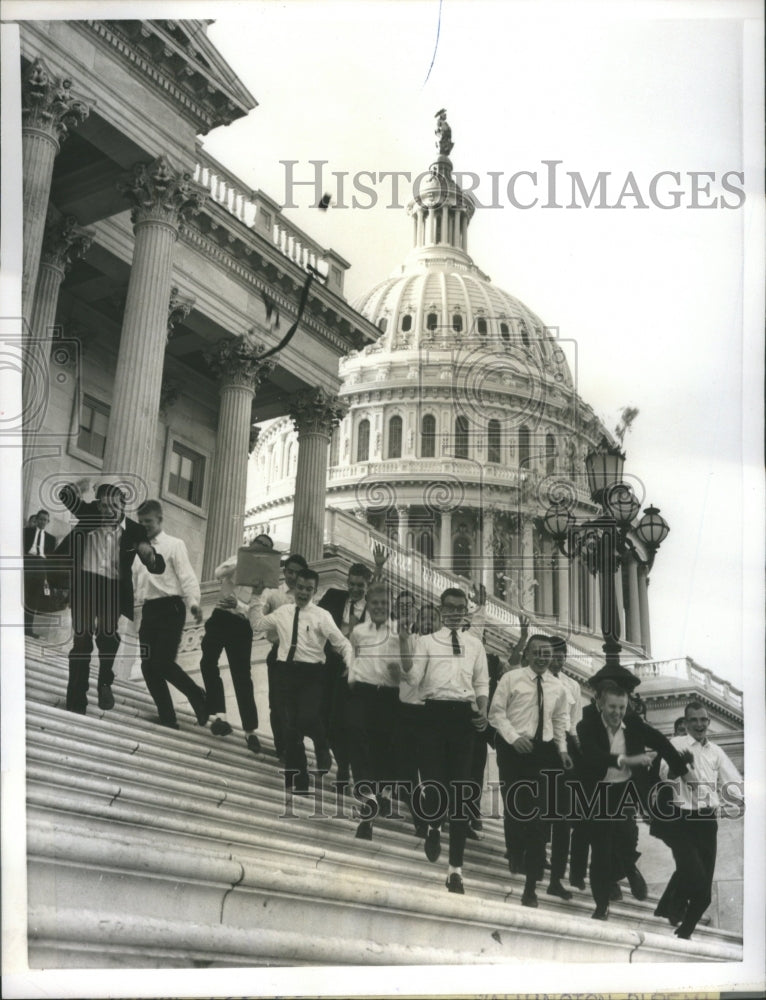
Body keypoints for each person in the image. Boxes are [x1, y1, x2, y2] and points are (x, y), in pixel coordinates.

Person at [576, 677, 691, 921]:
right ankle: (601, 906)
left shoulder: (634, 724)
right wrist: (626, 760)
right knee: (601, 849)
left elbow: (661, 741)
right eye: (612, 707)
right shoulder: (586, 726)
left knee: (628, 837)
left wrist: (683, 770)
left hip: (625, 789)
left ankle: (627, 865)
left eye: (621, 707)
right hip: (597, 792)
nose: (617, 713)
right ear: (600, 705)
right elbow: (595, 756)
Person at [399, 587, 489, 895]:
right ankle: (435, 825)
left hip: (464, 717)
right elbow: (413, 679)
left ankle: (455, 871)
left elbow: (481, 681)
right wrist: (402, 644)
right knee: (434, 783)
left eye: (460, 608)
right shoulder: (426, 642)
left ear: (466, 612)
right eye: (449, 607)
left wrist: (483, 709)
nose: (454, 613)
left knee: (461, 793)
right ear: (441, 609)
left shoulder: (474, 645)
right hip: (433, 715)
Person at [51, 483, 165, 716]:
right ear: (97, 506)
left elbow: (156, 565)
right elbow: (65, 495)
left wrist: (150, 556)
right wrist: (80, 485)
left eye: (113, 505)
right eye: (102, 505)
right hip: (84, 584)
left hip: (112, 589)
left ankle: (105, 681)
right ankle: (76, 701)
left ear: (123, 505)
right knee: (81, 642)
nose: (107, 511)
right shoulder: (90, 514)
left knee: (108, 637)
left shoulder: (134, 530)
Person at [250, 568, 352, 794]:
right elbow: (257, 625)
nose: (304, 593)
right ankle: (302, 777)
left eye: (309, 589)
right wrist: (257, 597)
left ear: (315, 591)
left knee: (307, 717)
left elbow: (343, 643)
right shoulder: (283, 611)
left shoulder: (322, 616)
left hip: (312, 674)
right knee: (290, 728)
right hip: (285, 672)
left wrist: (349, 665)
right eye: (300, 588)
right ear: (294, 588)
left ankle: (321, 743)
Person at [489, 635, 573, 907]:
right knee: (515, 808)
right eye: (536, 652)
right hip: (513, 750)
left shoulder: (558, 687)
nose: (542, 658)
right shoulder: (511, 679)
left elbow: (560, 720)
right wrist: (514, 738)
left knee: (538, 820)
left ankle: (531, 887)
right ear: (526, 654)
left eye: (546, 653)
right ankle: (515, 851)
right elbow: (496, 714)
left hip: (543, 753)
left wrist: (561, 750)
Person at [652, 700, 743, 940]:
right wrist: (679, 766)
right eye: (694, 720)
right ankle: (673, 909)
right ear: (686, 722)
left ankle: (683, 932)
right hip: (682, 820)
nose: (700, 724)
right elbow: (665, 776)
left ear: (709, 721)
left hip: (707, 821)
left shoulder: (715, 751)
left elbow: (734, 782)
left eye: (704, 719)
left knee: (704, 894)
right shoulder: (676, 744)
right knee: (694, 875)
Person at [133, 500, 207, 730]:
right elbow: (134, 582)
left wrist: (194, 602)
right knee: (148, 666)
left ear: (160, 520)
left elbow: (187, 576)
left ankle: (197, 696)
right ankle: (167, 716)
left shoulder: (175, 545)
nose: (145, 526)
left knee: (163, 662)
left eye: (149, 522)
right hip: (149, 610)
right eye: (141, 522)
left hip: (171, 608)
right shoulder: (137, 552)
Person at [317, 547, 387, 782]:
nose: (355, 589)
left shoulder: (372, 610)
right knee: (332, 724)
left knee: (354, 725)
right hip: (330, 671)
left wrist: (378, 569)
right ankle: (342, 764)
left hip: (357, 675)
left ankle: (351, 771)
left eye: (360, 585)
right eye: (352, 583)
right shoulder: (333, 598)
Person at [199, 533, 274, 751]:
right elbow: (217, 573)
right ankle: (219, 715)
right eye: (258, 544)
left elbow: (256, 608)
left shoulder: (265, 581)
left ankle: (250, 732)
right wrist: (242, 559)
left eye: (266, 548)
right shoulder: (236, 561)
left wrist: (239, 605)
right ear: (251, 544)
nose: (261, 549)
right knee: (207, 662)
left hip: (241, 626)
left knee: (242, 677)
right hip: (220, 617)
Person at [347, 583, 401, 839]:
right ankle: (367, 796)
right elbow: (354, 656)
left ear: (390, 605)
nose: (379, 607)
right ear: (368, 605)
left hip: (389, 697)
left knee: (381, 752)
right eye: (375, 603)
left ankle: (375, 803)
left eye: (384, 603)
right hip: (362, 693)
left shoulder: (400, 633)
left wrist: (400, 674)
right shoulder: (358, 632)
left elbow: (411, 668)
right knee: (357, 741)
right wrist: (352, 677)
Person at [259, 553, 307, 761]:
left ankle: (295, 747)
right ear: (284, 572)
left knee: (296, 706)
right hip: (278, 654)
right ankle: (282, 749)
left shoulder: (309, 596)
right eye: (289, 572)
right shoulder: (274, 594)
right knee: (276, 704)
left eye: (297, 573)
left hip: (301, 658)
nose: (293, 577)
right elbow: (259, 615)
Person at [546, 635, 583, 900]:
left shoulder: (572, 686)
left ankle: (556, 878)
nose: (558, 659)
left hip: (565, 751)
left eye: (562, 655)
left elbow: (574, 723)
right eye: (554, 654)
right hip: (541, 747)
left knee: (563, 817)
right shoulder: (535, 680)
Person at [23, 509, 56, 637]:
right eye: (40, 519)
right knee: (22, 595)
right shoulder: (26, 532)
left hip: (41, 567)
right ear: (36, 519)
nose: (42, 521)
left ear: (48, 522)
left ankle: (28, 629)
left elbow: (51, 558)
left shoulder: (51, 539)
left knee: (34, 599)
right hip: (27, 562)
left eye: (45, 520)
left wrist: (48, 576)